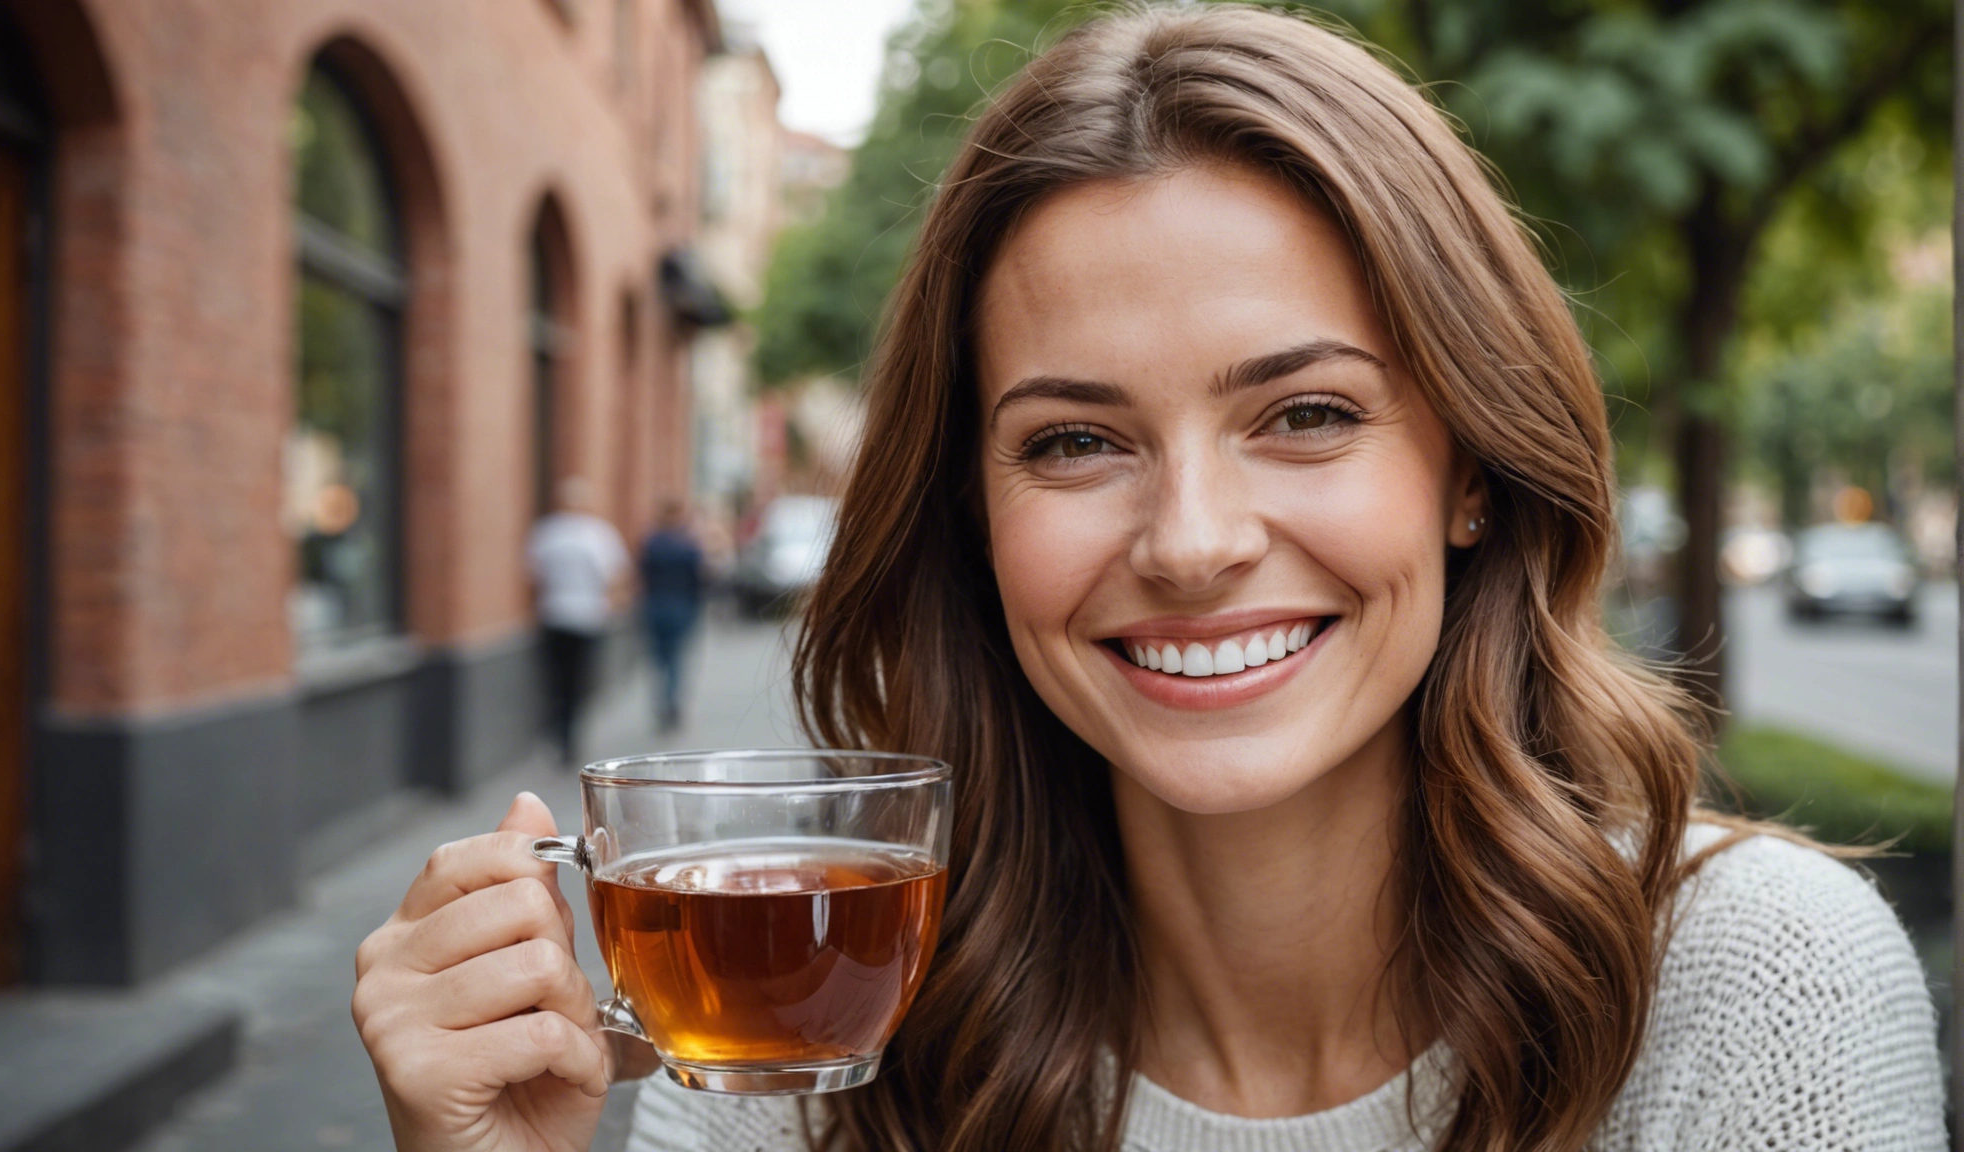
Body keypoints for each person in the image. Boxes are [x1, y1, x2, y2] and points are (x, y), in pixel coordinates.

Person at [350, 7, 1943, 1151]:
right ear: (967, 508)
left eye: (1306, 416)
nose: (1190, 540)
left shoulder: (1754, 984)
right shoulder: (812, 1040)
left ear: (1470, 471)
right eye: (1072, 444)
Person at [526, 477, 630, 765]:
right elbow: (615, 575)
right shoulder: (596, 534)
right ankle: (568, 733)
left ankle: (562, 730)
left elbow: (533, 576)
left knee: (558, 678)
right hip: (584, 616)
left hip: (557, 614)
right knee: (579, 679)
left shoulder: (547, 533)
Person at [638, 498, 705, 732]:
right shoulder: (687, 545)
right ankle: (671, 701)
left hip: (655, 604)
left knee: (660, 658)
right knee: (675, 657)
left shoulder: (651, 543)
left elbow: (642, 573)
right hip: (680, 605)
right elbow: (699, 579)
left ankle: (664, 700)